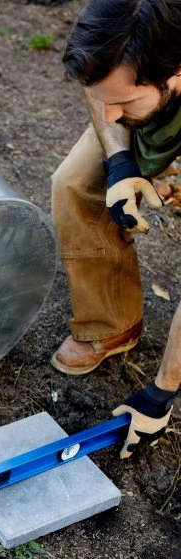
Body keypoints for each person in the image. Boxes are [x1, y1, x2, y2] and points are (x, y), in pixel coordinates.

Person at [51, 0, 180, 458]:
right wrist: (119, 162)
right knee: (74, 184)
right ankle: (113, 323)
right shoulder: (122, 20)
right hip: (156, 101)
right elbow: (98, 81)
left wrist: (162, 393)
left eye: (122, 101)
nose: (108, 112)